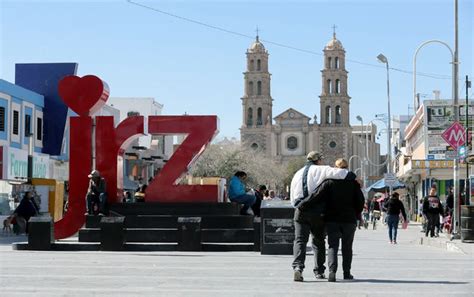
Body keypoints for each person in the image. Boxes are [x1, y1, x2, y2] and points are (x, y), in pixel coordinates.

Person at [290, 152, 354, 282]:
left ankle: (298, 268)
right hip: (317, 212)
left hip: (300, 210)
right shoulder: (322, 169)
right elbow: (344, 174)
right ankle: (319, 271)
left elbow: (292, 196)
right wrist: (353, 177)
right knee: (318, 241)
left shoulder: (297, 173)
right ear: (318, 160)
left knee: (300, 240)